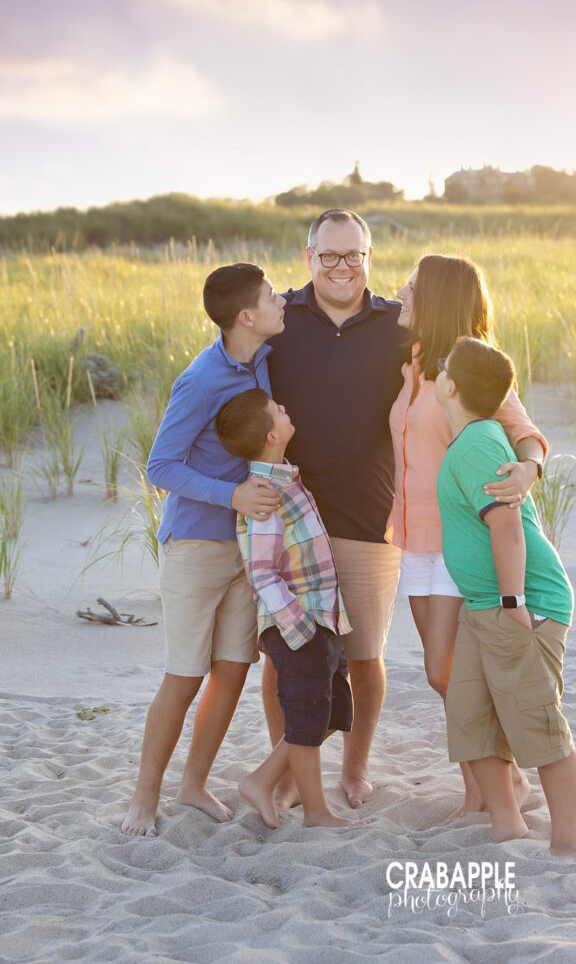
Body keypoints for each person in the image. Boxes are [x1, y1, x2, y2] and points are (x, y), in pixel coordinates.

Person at [263, 210, 528, 811]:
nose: (341, 267)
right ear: (309, 257)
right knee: (284, 661)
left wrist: (531, 461)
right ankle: (287, 776)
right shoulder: (281, 319)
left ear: (369, 256)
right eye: (329, 255)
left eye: (354, 255)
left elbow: (493, 392)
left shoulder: (398, 329)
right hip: (292, 518)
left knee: (365, 658)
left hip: (375, 520)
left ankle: (355, 772)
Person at [121, 263, 284, 837]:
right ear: (246, 316)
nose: (281, 299)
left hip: (246, 548)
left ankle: (193, 785)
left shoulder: (262, 356)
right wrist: (232, 493)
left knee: (233, 670)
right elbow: (161, 465)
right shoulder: (200, 379)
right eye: (271, 296)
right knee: (185, 675)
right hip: (195, 544)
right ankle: (144, 798)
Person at [390, 254, 548, 818]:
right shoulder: (412, 364)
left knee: (447, 670)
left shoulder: (467, 370)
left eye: (410, 285)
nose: (400, 292)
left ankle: (504, 783)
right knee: (445, 675)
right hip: (412, 536)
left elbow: (525, 433)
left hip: (460, 540)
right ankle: (480, 788)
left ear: (435, 297)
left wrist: (529, 469)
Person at [435, 336, 576, 860]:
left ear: (449, 385)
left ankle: (568, 839)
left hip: (519, 605)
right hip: (484, 606)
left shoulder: (478, 441)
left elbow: (507, 529)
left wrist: (511, 601)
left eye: (442, 367)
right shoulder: (474, 438)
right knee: (469, 715)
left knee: (536, 718)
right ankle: (507, 825)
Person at [214, 388, 357, 828]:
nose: (285, 408)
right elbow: (261, 572)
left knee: (332, 713)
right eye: (278, 409)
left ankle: (262, 779)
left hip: (322, 618)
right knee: (309, 715)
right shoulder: (264, 494)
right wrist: (300, 627)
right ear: (273, 435)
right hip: (299, 624)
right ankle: (317, 812)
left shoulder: (285, 478)